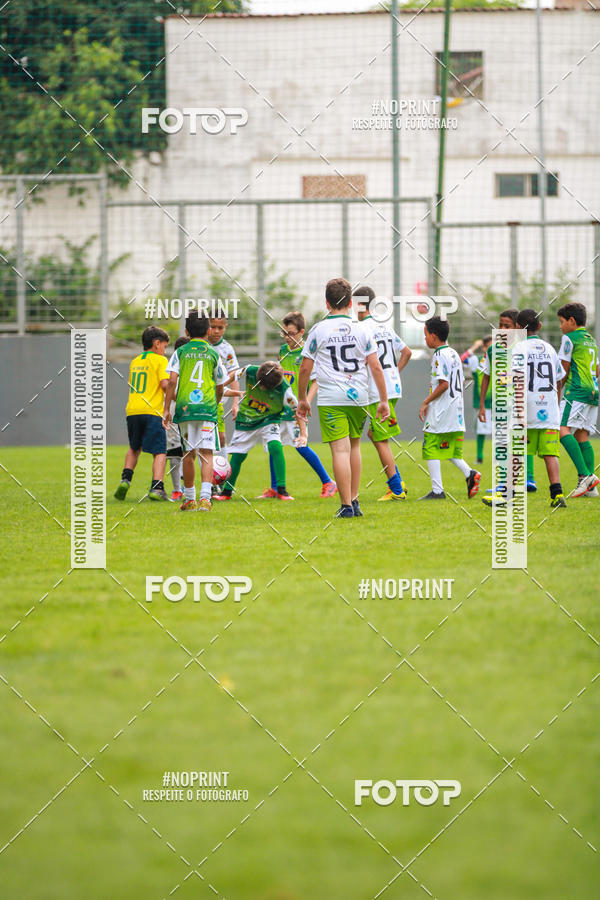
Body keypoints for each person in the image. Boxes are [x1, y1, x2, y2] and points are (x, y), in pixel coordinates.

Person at [297, 277, 389, 519]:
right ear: (350, 303)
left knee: (340, 451)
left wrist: (302, 399)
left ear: (327, 303)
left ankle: (346, 506)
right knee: (354, 446)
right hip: (359, 396)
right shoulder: (362, 329)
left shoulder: (319, 330)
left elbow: (305, 368)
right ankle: (355, 500)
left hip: (331, 398)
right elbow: (376, 367)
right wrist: (383, 400)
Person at [483, 308, 566, 508]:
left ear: (519, 327)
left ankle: (506, 494)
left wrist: (519, 411)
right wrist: (555, 404)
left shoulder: (520, 348)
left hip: (527, 409)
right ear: (540, 326)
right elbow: (559, 380)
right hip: (549, 411)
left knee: (516, 452)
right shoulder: (549, 348)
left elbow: (519, 380)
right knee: (550, 454)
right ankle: (557, 495)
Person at [258, 311, 337, 499]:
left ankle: (328, 482)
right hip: (280, 408)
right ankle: (275, 488)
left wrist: (305, 402)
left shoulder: (307, 353)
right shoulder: (283, 351)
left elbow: (316, 382)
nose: (287, 337)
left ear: (302, 332)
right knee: (274, 445)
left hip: (296, 409)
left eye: (291, 333)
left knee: (301, 445)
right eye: (284, 333)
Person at [162, 314, 226, 512]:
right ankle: (205, 499)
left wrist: (166, 409)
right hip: (207, 407)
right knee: (207, 453)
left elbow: (172, 381)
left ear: (186, 332)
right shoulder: (214, 353)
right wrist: (215, 403)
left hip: (185, 408)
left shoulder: (180, 352)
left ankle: (190, 500)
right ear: (208, 331)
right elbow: (220, 385)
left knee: (188, 454)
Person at [354, 285, 411, 501]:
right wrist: (393, 373)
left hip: (377, 392)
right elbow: (407, 352)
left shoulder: (361, 329)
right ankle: (398, 481)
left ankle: (396, 489)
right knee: (375, 435)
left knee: (381, 440)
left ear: (360, 304)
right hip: (392, 387)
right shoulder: (384, 326)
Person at [215, 361, 297, 501]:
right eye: (261, 385)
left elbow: (297, 409)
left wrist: (303, 433)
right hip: (246, 418)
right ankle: (226, 492)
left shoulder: (285, 390)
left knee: (275, 446)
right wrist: (221, 386)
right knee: (238, 456)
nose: (262, 388)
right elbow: (234, 374)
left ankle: (282, 491)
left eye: (267, 387)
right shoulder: (250, 370)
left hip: (269, 419)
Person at [418, 316, 481, 500]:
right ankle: (470, 473)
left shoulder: (439, 355)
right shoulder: (453, 353)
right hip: (455, 407)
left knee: (430, 444)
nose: (425, 338)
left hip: (442, 408)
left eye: (425, 335)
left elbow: (444, 384)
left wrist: (426, 401)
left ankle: (437, 491)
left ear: (434, 336)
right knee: (447, 447)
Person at [478, 308, 537, 492]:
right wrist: (481, 405)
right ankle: (502, 483)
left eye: (507, 326)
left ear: (517, 327)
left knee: (522, 440)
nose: (503, 329)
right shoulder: (492, 350)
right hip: (501, 404)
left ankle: (529, 479)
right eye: (500, 325)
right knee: (502, 443)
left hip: (520, 402)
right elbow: (486, 376)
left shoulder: (523, 347)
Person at [114, 325, 170, 502]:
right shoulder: (160, 360)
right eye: (165, 346)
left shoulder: (135, 361)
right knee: (160, 451)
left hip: (133, 410)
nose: (165, 350)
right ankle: (157, 488)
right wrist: (177, 395)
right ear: (157, 343)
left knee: (134, 447)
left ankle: (125, 480)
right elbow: (164, 385)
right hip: (152, 411)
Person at [557, 302, 600, 497]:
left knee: (561, 429)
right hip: (593, 391)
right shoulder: (591, 340)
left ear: (572, 321)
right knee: (582, 435)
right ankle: (591, 489)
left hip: (576, 392)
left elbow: (563, 370)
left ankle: (585, 476)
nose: (560, 326)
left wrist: (557, 391)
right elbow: (597, 370)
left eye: (562, 322)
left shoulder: (569, 338)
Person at [207, 315, 240, 452]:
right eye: (213, 327)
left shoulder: (227, 349)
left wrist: (235, 403)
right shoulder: (200, 344)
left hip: (218, 400)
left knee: (220, 438)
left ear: (225, 327)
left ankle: (223, 465)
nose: (216, 331)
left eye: (220, 328)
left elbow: (234, 374)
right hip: (200, 398)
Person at [461, 335, 492, 465]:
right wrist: (474, 347)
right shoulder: (477, 360)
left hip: (499, 401)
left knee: (501, 432)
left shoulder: (502, 361)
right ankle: (479, 457)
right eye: (489, 346)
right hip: (482, 403)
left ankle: (501, 458)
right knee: (481, 430)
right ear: (484, 347)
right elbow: (462, 360)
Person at [165, 335, 189, 501]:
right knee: (181, 450)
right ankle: (179, 489)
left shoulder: (175, 364)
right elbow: (170, 385)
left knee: (178, 450)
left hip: (177, 411)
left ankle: (179, 489)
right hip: (183, 411)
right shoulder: (175, 366)